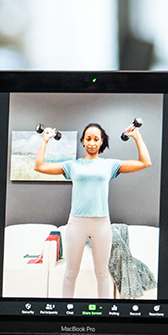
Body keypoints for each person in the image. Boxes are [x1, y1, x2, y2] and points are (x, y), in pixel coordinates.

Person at [34, 121, 153, 299]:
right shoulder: (72, 165)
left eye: (96, 139)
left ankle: (103, 314)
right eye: (88, 138)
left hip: (101, 224)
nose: (91, 142)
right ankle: (68, 310)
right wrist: (45, 140)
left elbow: (145, 162)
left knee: (102, 273)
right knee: (70, 273)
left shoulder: (110, 165)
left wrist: (137, 136)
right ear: (83, 141)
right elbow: (39, 167)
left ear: (101, 142)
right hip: (77, 222)